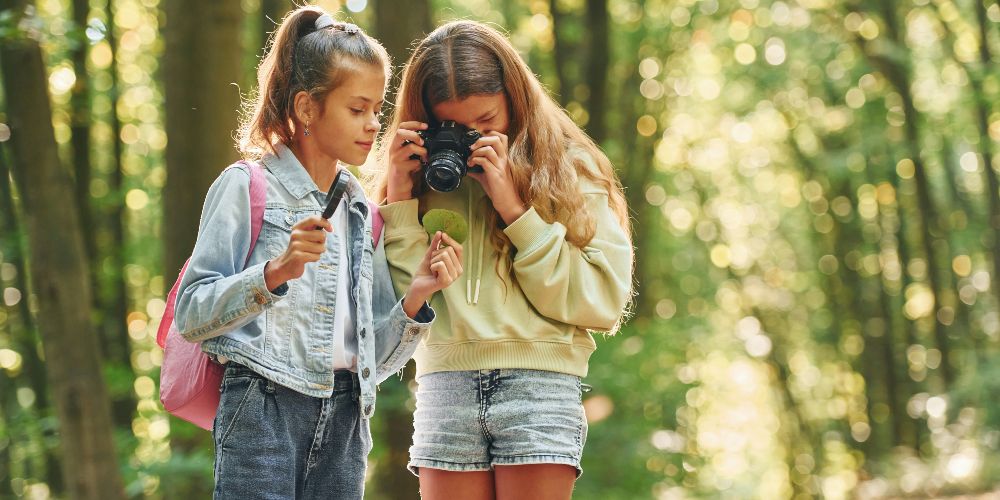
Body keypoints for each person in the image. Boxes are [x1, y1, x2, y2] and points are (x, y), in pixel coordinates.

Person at [173, 7, 463, 499]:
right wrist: (276, 271)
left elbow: (372, 356)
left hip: (348, 417)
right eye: (357, 109)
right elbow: (191, 313)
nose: (374, 125)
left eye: (377, 108)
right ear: (307, 108)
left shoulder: (359, 211)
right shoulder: (246, 186)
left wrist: (416, 297)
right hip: (263, 409)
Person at [372, 20, 633, 500]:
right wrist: (400, 201)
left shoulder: (572, 169)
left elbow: (603, 302)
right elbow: (400, 308)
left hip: (540, 384)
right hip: (445, 382)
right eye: (454, 127)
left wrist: (516, 209)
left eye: (487, 123)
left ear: (515, 97)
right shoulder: (418, 179)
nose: (471, 141)